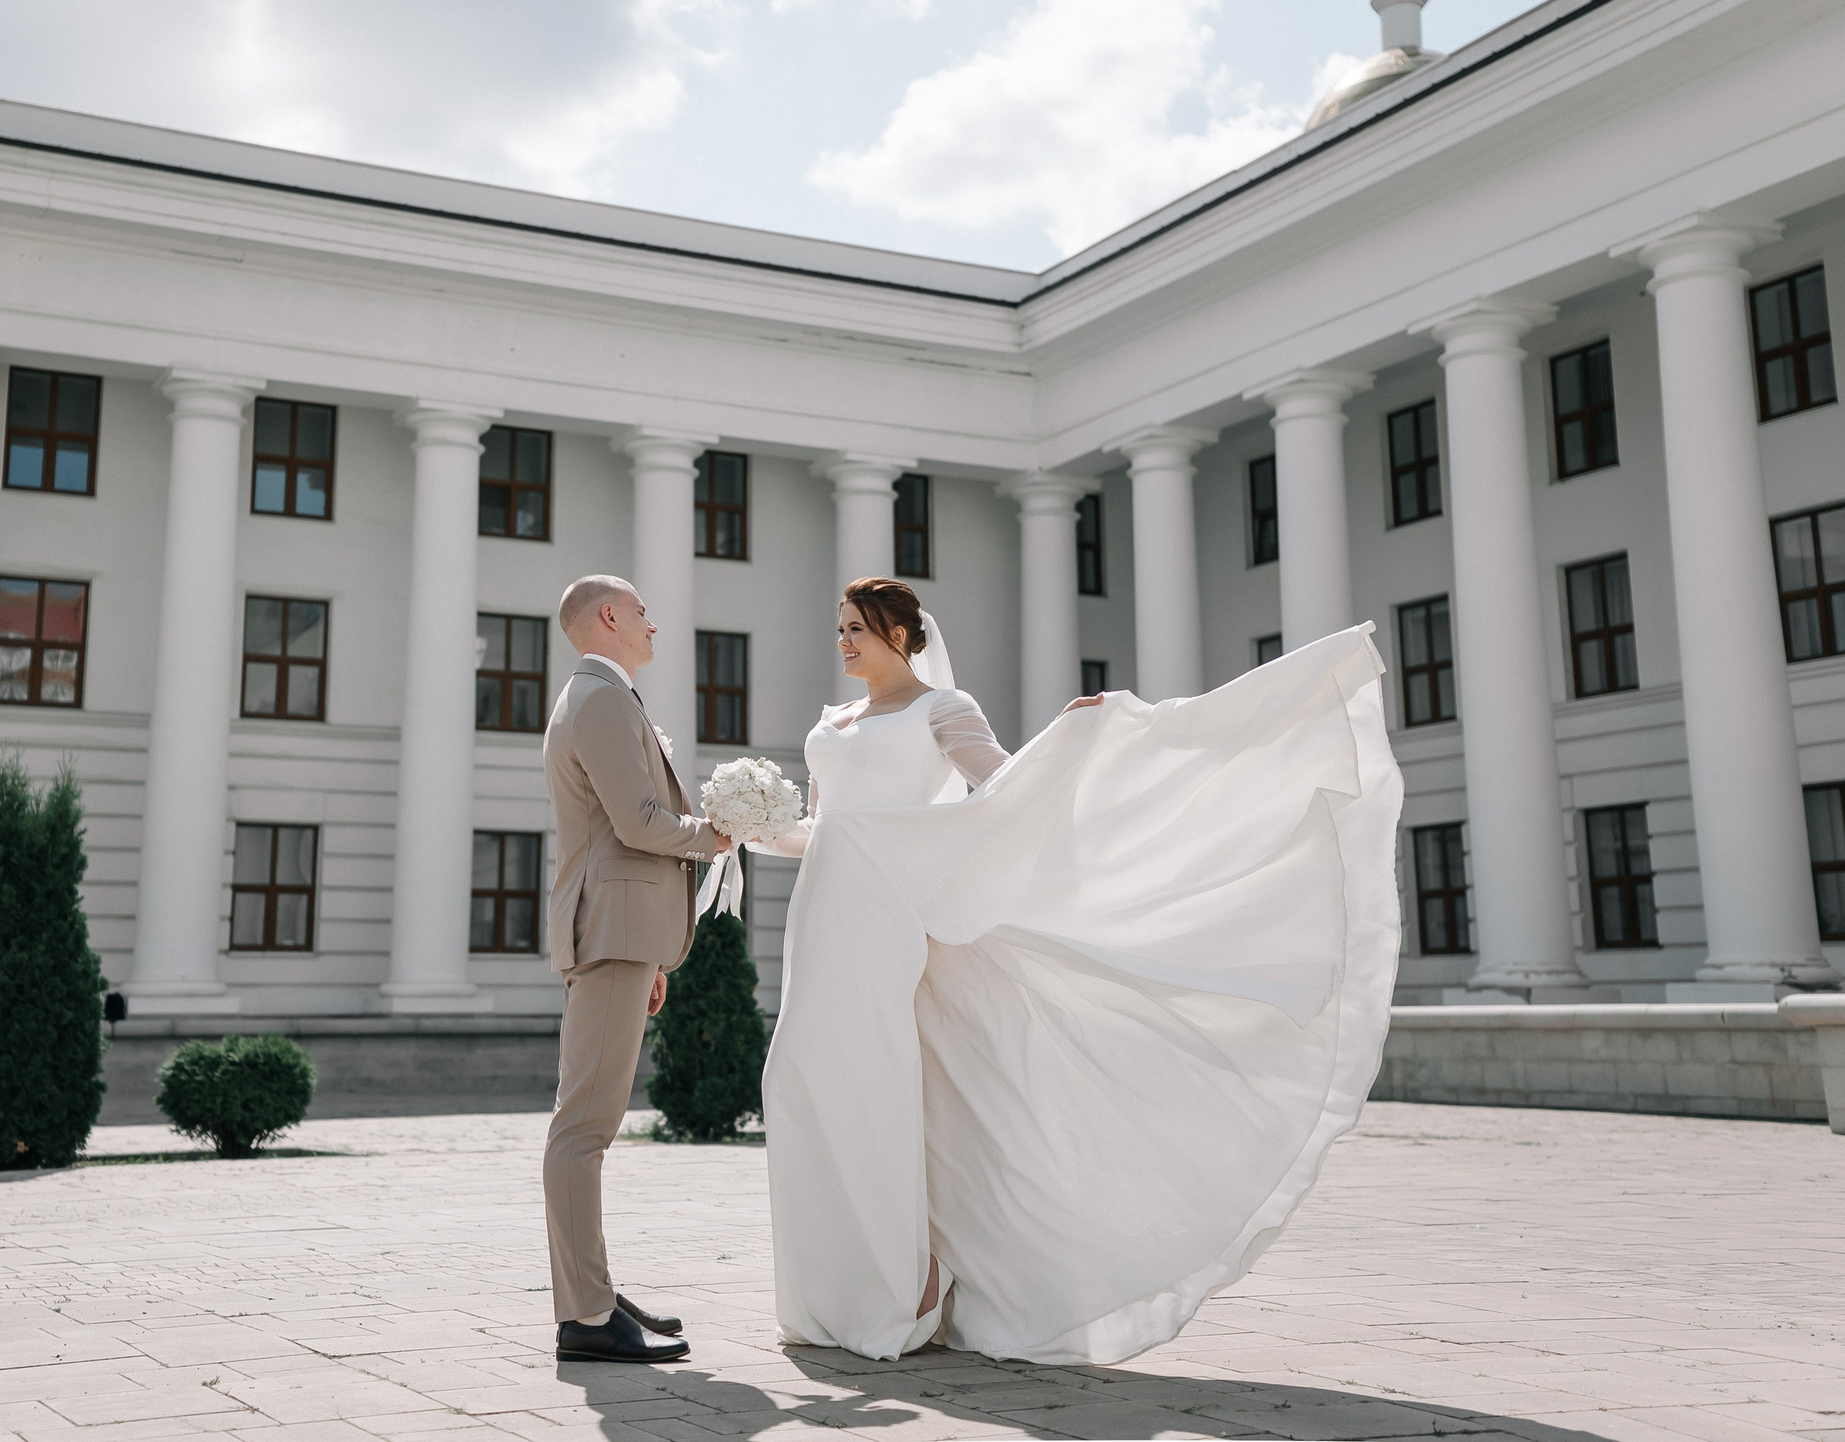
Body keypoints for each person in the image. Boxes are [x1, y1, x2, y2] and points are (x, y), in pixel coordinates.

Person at [752, 577, 1403, 1364]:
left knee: (872, 1089)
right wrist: (751, 828)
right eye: (841, 627)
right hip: (826, 919)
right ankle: (836, 1294)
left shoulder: (942, 711)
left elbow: (1004, 790)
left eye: (858, 627)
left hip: (891, 918)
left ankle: (910, 1287)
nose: (844, 640)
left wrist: (1065, 740)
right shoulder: (834, 723)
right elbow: (823, 829)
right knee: (800, 1082)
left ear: (902, 635)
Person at [540, 573, 733, 1364]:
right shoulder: (602, 697)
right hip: (612, 932)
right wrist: (717, 833)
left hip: (623, 936)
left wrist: (654, 949)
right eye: (644, 613)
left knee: (585, 1125)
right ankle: (586, 1315)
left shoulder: (594, 695)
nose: (654, 626)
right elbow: (640, 822)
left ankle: (593, 1292)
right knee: (584, 1128)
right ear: (609, 617)